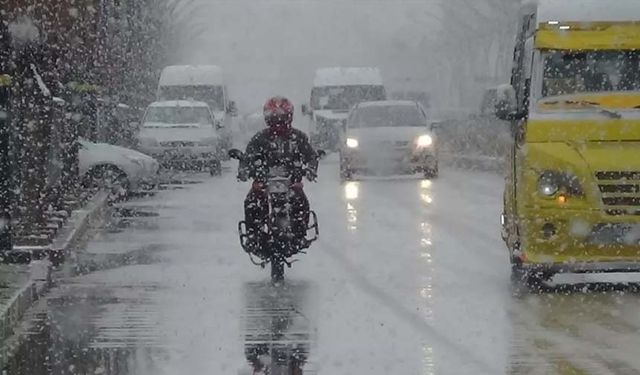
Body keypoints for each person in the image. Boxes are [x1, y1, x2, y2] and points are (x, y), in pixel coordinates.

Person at [238, 96, 318, 255]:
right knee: (251, 202)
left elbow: (311, 156)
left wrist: (310, 169)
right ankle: (253, 235)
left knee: (302, 202)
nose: (278, 122)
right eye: (275, 118)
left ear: (290, 117)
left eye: (282, 118)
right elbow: (247, 157)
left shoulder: (298, 138)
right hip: (264, 183)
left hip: (291, 184)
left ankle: (300, 234)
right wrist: (244, 169)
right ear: (267, 118)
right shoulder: (259, 139)